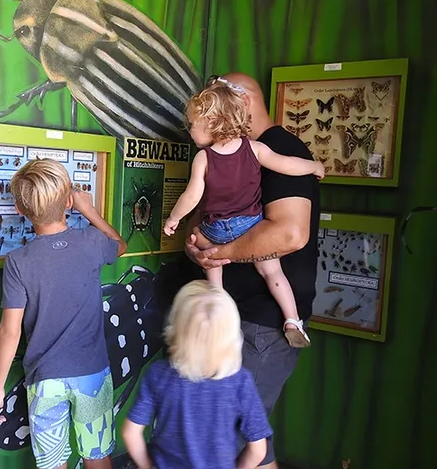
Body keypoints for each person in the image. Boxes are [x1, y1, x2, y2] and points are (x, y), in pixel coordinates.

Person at [184, 72, 321, 469]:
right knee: (245, 434)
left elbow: (290, 233)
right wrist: (201, 249)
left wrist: (222, 251)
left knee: (237, 432)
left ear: (239, 103)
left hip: (263, 322)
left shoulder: (276, 149)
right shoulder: (220, 152)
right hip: (235, 315)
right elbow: (205, 215)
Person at [0, 159, 127, 469]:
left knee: (52, 462)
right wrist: (89, 211)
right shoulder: (91, 241)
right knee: (97, 453)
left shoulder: (18, 261)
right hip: (92, 373)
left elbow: (9, 332)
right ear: (68, 201)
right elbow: (120, 244)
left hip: (45, 379)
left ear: (21, 211)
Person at [164, 77, 323, 347]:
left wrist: (175, 220)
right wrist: (315, 167)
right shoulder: (257, 149)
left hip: (217, 231)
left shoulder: (204, 158)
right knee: (274, 274)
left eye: (192, 125)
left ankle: (218, 316)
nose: (189, 131)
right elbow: (289, 165)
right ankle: (292, 319)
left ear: (213, 123)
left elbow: (192, 197)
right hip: (250, 222)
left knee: (211, 268)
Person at [122, 280, 273, 469]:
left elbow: (131, 433)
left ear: (176, 325)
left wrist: (146, 466)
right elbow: (258, 449)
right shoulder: (241, 382)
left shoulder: (157, 374)